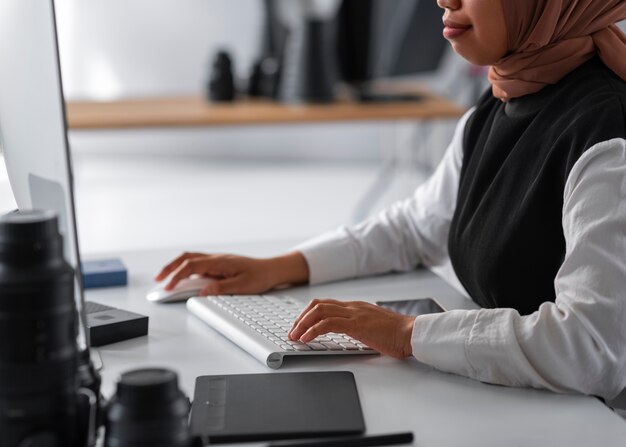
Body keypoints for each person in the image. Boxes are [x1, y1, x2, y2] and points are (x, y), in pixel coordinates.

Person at [156, 0, 626, 400]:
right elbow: (415, 227)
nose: (444, 0)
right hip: (506, 402)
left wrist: (406, 334)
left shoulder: (607, 139)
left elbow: (589, 347)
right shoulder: (497, 105)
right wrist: (278, 267)